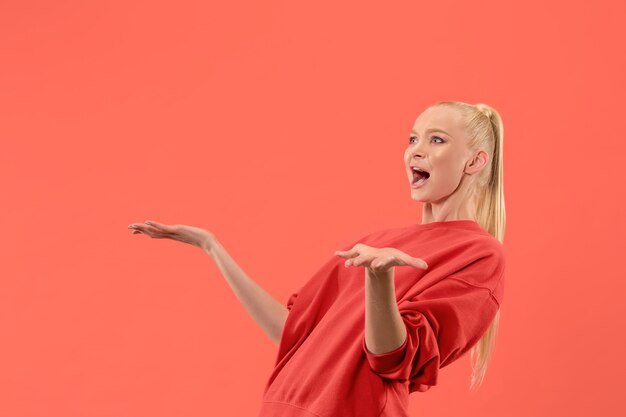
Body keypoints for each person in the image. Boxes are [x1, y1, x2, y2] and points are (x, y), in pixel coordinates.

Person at [127, 101, 506, 417]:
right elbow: (293, 334)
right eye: (412, 139)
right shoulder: (375, 244)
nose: (415, 150)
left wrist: (379, 278)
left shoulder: (478, 254)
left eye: (436, 140)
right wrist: (212, 247)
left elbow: (391, 359)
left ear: (474, 161)